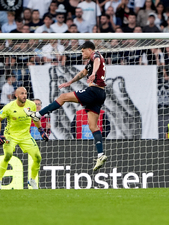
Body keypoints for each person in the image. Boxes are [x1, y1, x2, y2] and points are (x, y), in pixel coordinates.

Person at [24, 41, 107, 171]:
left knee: (62, 97)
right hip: (101, 94)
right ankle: (101, 154)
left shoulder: (95, 55)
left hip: (94, 91)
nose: (82, 53)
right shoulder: (91, 63)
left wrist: (94, 73)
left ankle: (38, 115)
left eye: (82, 51)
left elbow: (96, 61)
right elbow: (82, 73)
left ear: (89, 50)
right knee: (93, 126)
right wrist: (70, 82)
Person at [0, 87, 48, 190]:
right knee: (8, 155)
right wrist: (0, 135)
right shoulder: (9, 107)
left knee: (38, 157)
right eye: (22, 93)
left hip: (26, 136)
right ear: (16, 95)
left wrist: (41, 131)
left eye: (25, 93)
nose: (24, 95)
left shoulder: (31, 105)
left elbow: (35, 118)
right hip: (10, 136)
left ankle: (32, 180)